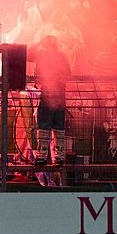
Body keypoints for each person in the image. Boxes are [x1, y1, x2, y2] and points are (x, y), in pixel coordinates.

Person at [30, 35, 72, 166]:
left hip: (47, 95)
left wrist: (37, 42)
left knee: (44, 126)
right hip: (60, 95)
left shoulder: (42, 55)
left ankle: (41, 157)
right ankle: (59, 157)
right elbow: (68, 75)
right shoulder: (62, 57)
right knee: (59, 127)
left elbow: (28, 55)